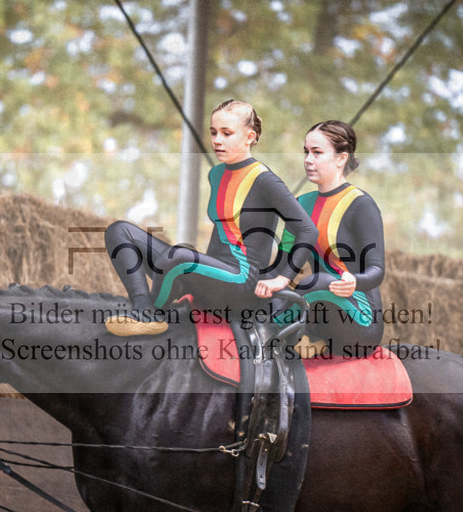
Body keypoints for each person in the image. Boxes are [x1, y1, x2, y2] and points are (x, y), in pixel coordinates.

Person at [103, 100, 318, 336]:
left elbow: (308, 230)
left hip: (240, 285)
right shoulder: (216, 174)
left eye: (227, 133)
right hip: (212, 280)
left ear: (249, 137)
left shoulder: (265, 180)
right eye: (214, 132)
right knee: (119, 231)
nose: (217, 140)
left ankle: (153, 316)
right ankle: (142, 306)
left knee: (178, 256)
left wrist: (282, 278)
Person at [265, 120, 385, 358]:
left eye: (317, 152)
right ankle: (295, 333)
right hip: (316, 308)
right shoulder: (300, 206)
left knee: (318, 281)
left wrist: (355, 281)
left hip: (358, 317)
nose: (308, 159)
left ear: (341, 158)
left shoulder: (361, 205)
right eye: (306, 152)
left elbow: (377, 270)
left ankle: (268, 333)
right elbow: (281, 267)